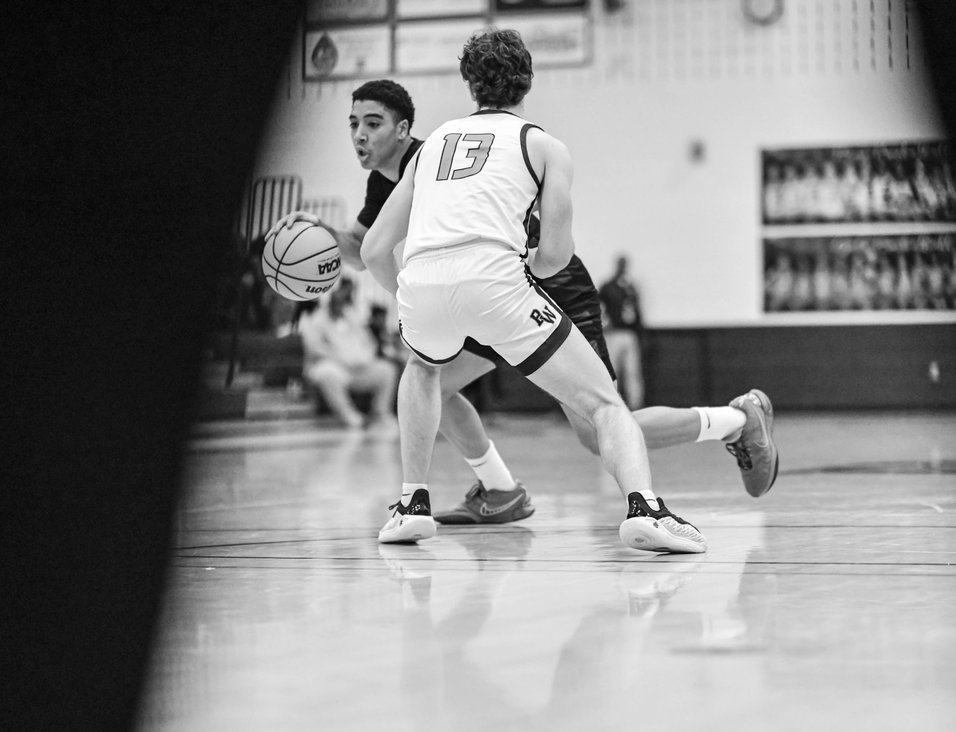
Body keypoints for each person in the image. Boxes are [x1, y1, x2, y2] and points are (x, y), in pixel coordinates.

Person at [269, 75, 777, 536]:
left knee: (596, 429)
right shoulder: (384, 181)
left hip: (546, 283)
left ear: (404, 130)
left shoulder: (435, 157)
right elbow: (362, 247)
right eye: (353, 123)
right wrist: (318, 236)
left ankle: (736, 420)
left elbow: (378, 252)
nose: (359, 134)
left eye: (373, 123)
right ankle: (499, 489)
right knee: (427, 387)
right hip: (481, 294)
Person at [296, 278, 400, 429]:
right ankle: (350, 416)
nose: (339, 303)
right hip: (333, 367)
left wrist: (363, 358)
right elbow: (314, 348)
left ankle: (380, 413)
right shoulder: (316, 320)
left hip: (358, 368)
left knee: (386, 370)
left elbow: (368, 343)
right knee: (327, 373)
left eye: (342, 300)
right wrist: (340, 358)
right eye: (335, 300)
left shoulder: (352, 317)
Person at [597, 254, 645, 409]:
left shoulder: (630, 287)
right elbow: (598, 306)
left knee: (633, 372)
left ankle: (635, 405)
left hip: (629, 334)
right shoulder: (608, 286)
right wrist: (604, 324)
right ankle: (611, 406)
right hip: (613, 334)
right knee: (612, 372)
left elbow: (636, 311)